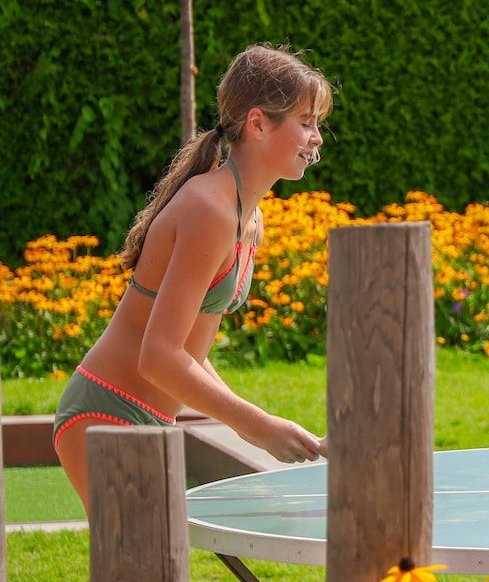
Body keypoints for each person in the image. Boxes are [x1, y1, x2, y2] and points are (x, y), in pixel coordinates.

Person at [54, 44, 331, 512]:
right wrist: (258, 426)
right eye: (306, 122)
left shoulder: (249, 216)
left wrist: (260, 425)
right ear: (259, 123)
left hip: (150, 420)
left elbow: (188, 351)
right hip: (105, 414)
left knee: (157, 578)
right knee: (143, 579)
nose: (317, 138)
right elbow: (158, 358)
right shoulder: (211, 209)